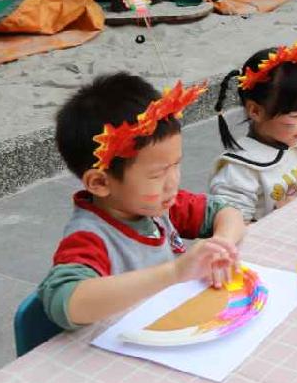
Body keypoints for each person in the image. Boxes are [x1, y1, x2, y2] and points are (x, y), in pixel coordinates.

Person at [37, 74, 246, 330]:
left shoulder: (158, 206)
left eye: (176, 165)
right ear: (100, 183)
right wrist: (174, 272)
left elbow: (227, 211)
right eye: (157, 175)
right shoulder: (90, 238)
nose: (173, 182)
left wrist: (221, 244)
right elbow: (67, 303)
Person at [209, 42, 297, 221]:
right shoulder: (239, 170)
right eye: (295, 115)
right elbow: (230, 228)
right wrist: (279, 217)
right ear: (255, 111)